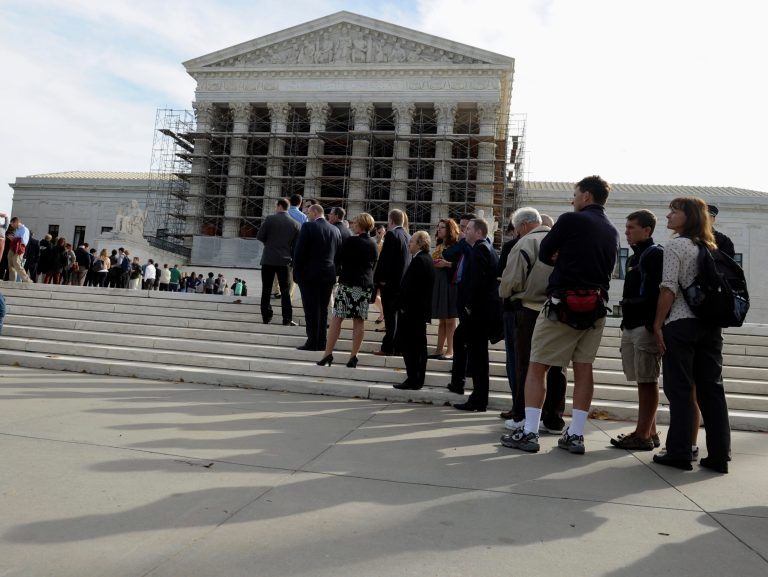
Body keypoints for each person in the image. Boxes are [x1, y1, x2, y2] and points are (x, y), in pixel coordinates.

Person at [502, 175, 619, 454]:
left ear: (587, 195)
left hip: (562, 302)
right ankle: (575, 434)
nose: (572, 198)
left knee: (537, 365)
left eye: (576, 193)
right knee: (583, 368)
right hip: (595, 306)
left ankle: (529, 431)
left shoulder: (570, 220)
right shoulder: (611, 230)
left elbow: (545, 252)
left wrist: (563, 257)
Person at [651, 197, 730, 473]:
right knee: (712, 389)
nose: (668, 215)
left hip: (682, 324)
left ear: (690, 216)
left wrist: (658, 324)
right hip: (710, 326)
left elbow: (668, 288)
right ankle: (719, 455)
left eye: (675, 211)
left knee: (681, 389)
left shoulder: (675, 246)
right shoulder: (710, 247)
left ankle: (679, 452)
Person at [499, 207, 567, 434]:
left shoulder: (525, 243)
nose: (517, 233)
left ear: (525, 225)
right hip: (559, 309)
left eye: (518, 229)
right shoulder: (563, 241)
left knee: (527, 365)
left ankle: (522, 416)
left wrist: (508, 292)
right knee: (557, 366)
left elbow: (510, 282)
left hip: (530, 310)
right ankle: (554, 419)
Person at [610, 210, 664, 451]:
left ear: (647, 230)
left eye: (632, 227)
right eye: (627, 226)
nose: (627, 231)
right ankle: (649, 433)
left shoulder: (655, 255)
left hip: (645, 326)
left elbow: (660, 293)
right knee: (642, 380)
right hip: (632, 325)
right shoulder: (634, 258)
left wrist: (654, 325)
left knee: (647, 380)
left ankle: (642, 434)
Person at [316, 213, 378, 368]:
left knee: (337, 318)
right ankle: (353, 356)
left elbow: (339, 259)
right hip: (363, 285)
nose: (353, 224)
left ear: (361, 225)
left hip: (348, 283)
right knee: (359, 320)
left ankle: (328, 354)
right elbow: (373, 265)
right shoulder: (373, 243)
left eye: (355, 222)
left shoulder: (351, 241)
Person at [452, 218, 500, 412]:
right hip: (482, 312)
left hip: (478, 314)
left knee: (478, 357)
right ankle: (478, 398)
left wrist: (470, 306)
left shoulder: (480, 249)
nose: (465, 231)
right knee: (478, 356)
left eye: (469, 228)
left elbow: (477, 281)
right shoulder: (487, 248)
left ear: (479, 232)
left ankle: (478, 400)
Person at [293, 204, 342, 351]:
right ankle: (321, 341)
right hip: (328, 275)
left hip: (309, 275)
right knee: (323, 309)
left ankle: (312, 341)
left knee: (311, 309)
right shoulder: (335, 230)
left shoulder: (308, 227)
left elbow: (299, 252)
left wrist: (296, 272)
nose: (307, 215)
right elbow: (338, 255)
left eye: (308, 213)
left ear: (315, 213)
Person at [393, 230, 436, 389]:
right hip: (417, 313)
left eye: (411, 241)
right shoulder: (425, 259)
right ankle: (416, 378)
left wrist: (403, 308)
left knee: (411, 347)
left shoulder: (420, 261)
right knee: (417, 347)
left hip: (412, 313)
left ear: (420, 244)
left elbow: (413, 289)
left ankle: (413, 378)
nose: (408, 244)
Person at [443, 213, 476, 395]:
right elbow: (448, 253)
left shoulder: (474, 247)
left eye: (466, 227)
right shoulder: (464, 245)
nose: (463, 230)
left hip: (470, 300)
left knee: (463, 337)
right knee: (462, 337)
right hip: (461, 292)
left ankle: (461, 379)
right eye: (462, 227)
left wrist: (463, 241)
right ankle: (460, 377)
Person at [257, 198, 301, 326]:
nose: (275, 208)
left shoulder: (270, 219)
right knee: (285, 291)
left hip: (268, 259)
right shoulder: (295, 224)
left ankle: (266, 316)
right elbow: (295, 245)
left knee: (266, 289)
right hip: (284, 261)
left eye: (276, 206)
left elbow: (260, 236)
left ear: (280, 206)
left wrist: (269, 244)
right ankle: (286, 318)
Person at [373, 209, 410, 356]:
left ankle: (388, 347)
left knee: (390, 317)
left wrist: (379, 281)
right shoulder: (408, 235)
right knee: (399, 318)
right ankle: (398, 347)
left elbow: (385, 260)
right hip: (402, 284)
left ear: (391, 221)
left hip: (390, 284)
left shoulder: (392, 235)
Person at [428, 218, 460, 360]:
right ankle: (439, 349)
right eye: (438, 227)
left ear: (449, 230)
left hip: (451, 283)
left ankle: (451, 350)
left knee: (450, 319)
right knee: (442, 319)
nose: (439, 229)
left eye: (442, 227)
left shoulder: (457, 245)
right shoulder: (440, 244)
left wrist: (447, 264)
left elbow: (461, 265)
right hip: (439, 282)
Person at [7, 216, 32, 283]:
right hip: (13, 247)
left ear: (17, 222)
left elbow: (24, 241)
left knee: (17, 263)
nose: (12, 226)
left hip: (19, 248)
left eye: (12, 224)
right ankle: (12, 280)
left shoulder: (24, 229)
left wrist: (14, 239)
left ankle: (27, 280)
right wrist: (13, 238)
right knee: (11, 264)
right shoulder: (17, 229)